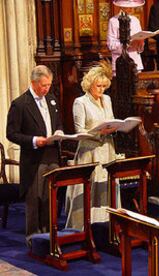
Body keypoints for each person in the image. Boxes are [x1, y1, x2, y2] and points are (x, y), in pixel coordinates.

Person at [6, 65, 63, 241]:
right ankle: (33, 239)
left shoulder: (52, 99)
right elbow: (11, 133)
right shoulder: (20, 104)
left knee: (49, 199)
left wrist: (59, 132)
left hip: (52, 155)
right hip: (34, 159)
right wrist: (33, 141)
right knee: (35, 199)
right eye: (44, 85)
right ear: (33, 82)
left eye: (49, 84)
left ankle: (48, 237)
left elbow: (58, 123)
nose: (47, 88)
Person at [65, 63, 117, 230]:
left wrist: (115, 128)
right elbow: (79, 131)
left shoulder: (107, 99)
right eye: (98, 86)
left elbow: (111, 120)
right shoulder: (80, 102)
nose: (101, 90)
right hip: (89, 151)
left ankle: (106, 226)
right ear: (90, 84)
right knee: (88, 190)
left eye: (104, 86)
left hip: (107, 150)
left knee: (106, 189)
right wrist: (98, 133)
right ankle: (81, 228)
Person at [107, 0, 145, 76]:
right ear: (122, 7)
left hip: (135, 62)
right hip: (120, 62)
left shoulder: (135, 20)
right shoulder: (113, 21)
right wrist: (126, 44)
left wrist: (140, 43)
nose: (131, 9)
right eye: (128, 7)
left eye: (132, 7)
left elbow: (140, 44)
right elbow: (111, 45)